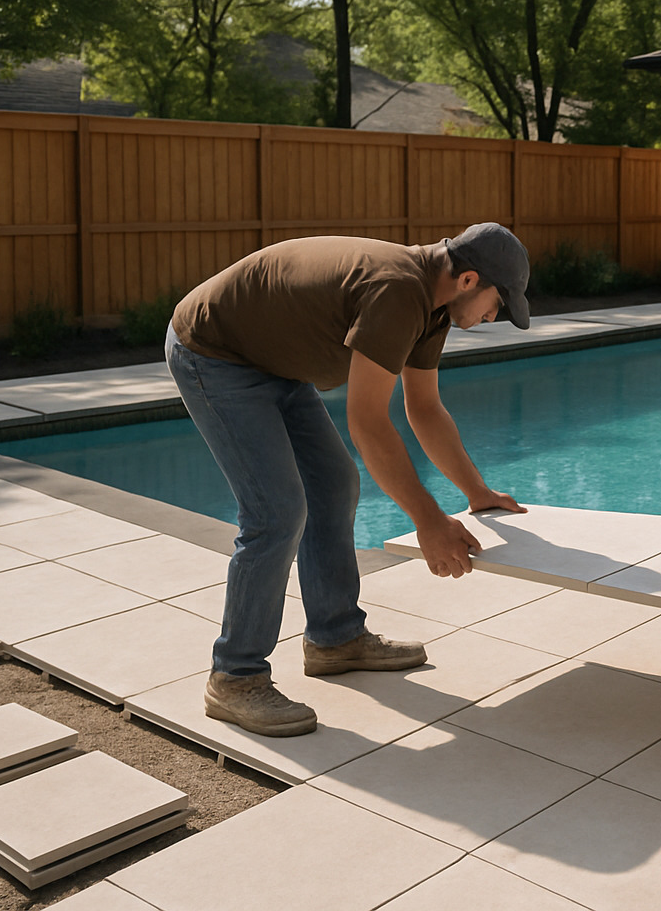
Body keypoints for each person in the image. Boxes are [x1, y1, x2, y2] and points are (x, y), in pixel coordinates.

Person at [165, 223, 531, 737]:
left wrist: (477, 493)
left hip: (272, 360)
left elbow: (424, 409)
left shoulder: (434, 306)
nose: (496, 316)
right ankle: (235, 676)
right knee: (277, 513)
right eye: (499, 303)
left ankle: (334, 638)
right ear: (470, 279)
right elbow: (368, 422)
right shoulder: (399, 290)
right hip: (214, 352)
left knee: (335, 484)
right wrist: (428, 520)